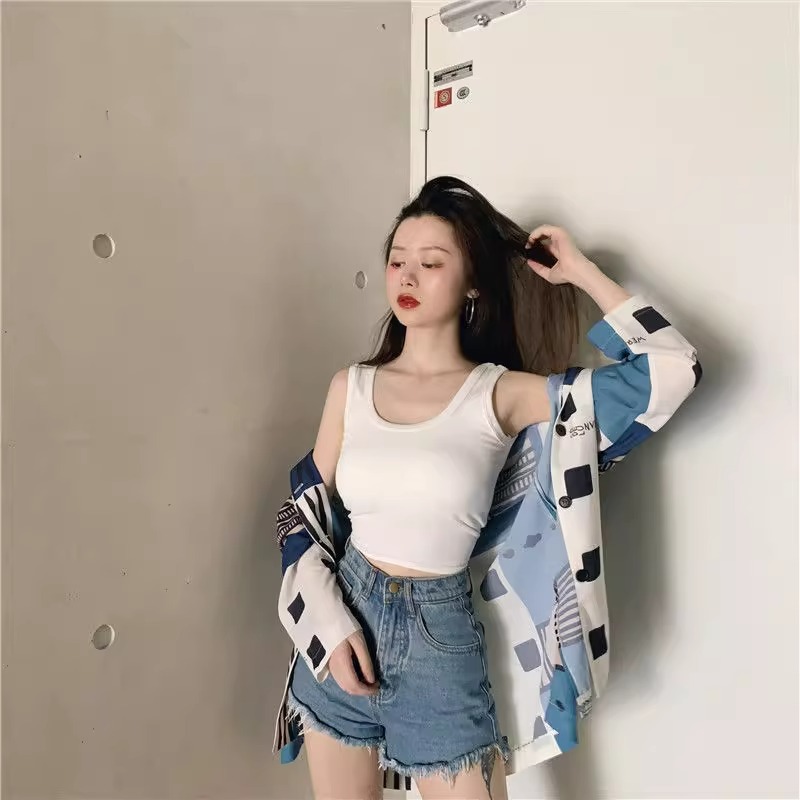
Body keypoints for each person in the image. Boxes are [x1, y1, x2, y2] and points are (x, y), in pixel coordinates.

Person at [273, 176, 701, 800]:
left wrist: (580, 272)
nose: (408, 276)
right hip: (344, 622)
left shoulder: (500, 393)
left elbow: (671, 372)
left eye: (430, 263)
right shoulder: (350, 387)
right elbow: (301, 513)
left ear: (472, 283)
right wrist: (329, 626)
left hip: (440, 643)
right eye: (397, 260)